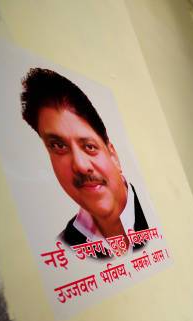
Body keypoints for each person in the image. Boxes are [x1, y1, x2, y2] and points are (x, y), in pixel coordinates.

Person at [20, 68, 148, 254]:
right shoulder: (66, 246)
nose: (80, 165)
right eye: (58, 146)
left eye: (89, 146)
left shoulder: (157, 213)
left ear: (113, 155)